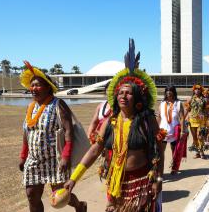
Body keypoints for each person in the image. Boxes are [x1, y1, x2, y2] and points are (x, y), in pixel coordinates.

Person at [64, 39, 164, 212]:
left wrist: (158, 179)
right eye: (121, 92)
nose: (123, 96)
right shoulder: (110, 121)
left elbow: (159, 150)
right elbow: (95, 150)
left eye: (129, 93)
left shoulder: (147, 119)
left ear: (138, 98)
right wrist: (74, 178)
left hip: (141, 183)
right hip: (116, 183)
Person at [18, 61, 86, 212]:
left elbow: (69, 131)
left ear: (48, 87)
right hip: (34, 160)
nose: (33, 88)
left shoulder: (58, 105)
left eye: (38, 85)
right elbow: (26, 133)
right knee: (31, 195)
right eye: (32, 85)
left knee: (61, 196)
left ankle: (80, 205)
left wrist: (66, 157)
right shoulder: (30, 107)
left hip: (54, 161)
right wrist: (23, 156)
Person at [158, 85, 186, 175]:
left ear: (174, 92)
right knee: (161, 151)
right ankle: (160, 169)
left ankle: (174, 168)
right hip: (163, 131)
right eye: (167, 90)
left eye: (171, 90)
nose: (169, 92)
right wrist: (155, 130)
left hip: (174, 131)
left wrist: (182, 131)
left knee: (174, 150)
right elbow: (159, 117)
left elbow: (182, 118)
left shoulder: (178, 103)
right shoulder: (162, 103)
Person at [185, 84, 206, 159]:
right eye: (196, 89)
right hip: (192, 120)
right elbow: (188, 110)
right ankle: (197, 152)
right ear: (193, 90)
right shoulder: (190, 99)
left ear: (201, 90)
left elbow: (207, 109)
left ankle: (201, 151)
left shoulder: (204, 99)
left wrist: (204, 114)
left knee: (200, 137)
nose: (197, 90)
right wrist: (184, 118)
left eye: (199, 89)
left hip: (201, 121)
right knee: (194, 138)